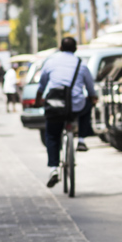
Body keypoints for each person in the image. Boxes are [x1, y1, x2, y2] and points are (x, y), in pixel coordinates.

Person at [35, 36, 96, 188]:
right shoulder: (81, 65)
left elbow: (42, 85)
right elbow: (90, 88)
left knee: (52, 136)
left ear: (60, 48)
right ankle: (81, 139)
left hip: (55, 106)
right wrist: (93, 98)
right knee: (88, 105)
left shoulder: (50, 61)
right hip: (75, 106)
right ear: (75, 49)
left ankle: (53, 169)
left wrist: (38, 100)